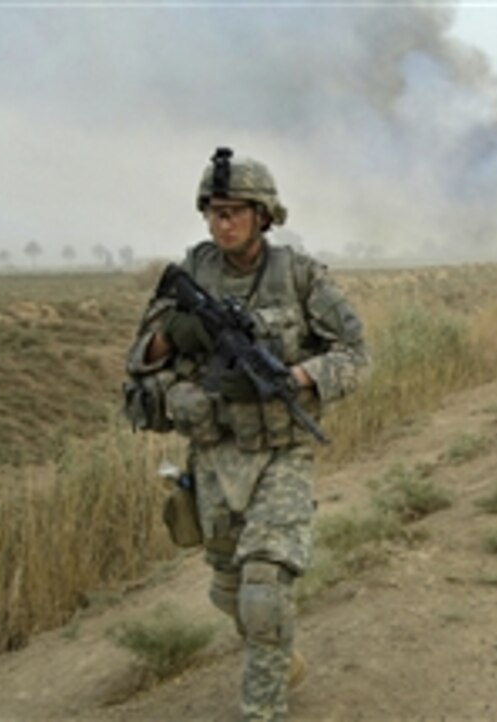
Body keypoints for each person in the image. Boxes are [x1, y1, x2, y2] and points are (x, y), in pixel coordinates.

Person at [124, 147, 368, 722]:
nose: (221, 222)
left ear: (263, 214)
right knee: (229, 592)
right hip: (212, 457)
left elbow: (357, 355)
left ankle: (263, 708)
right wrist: (180, 333)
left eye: (234, 211)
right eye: (213, 211)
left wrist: (297, 375)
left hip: (280, 453)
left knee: (264, 590)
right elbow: (142, 358)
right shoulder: (192, 273)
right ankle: (281, 658)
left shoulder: (301, 276)